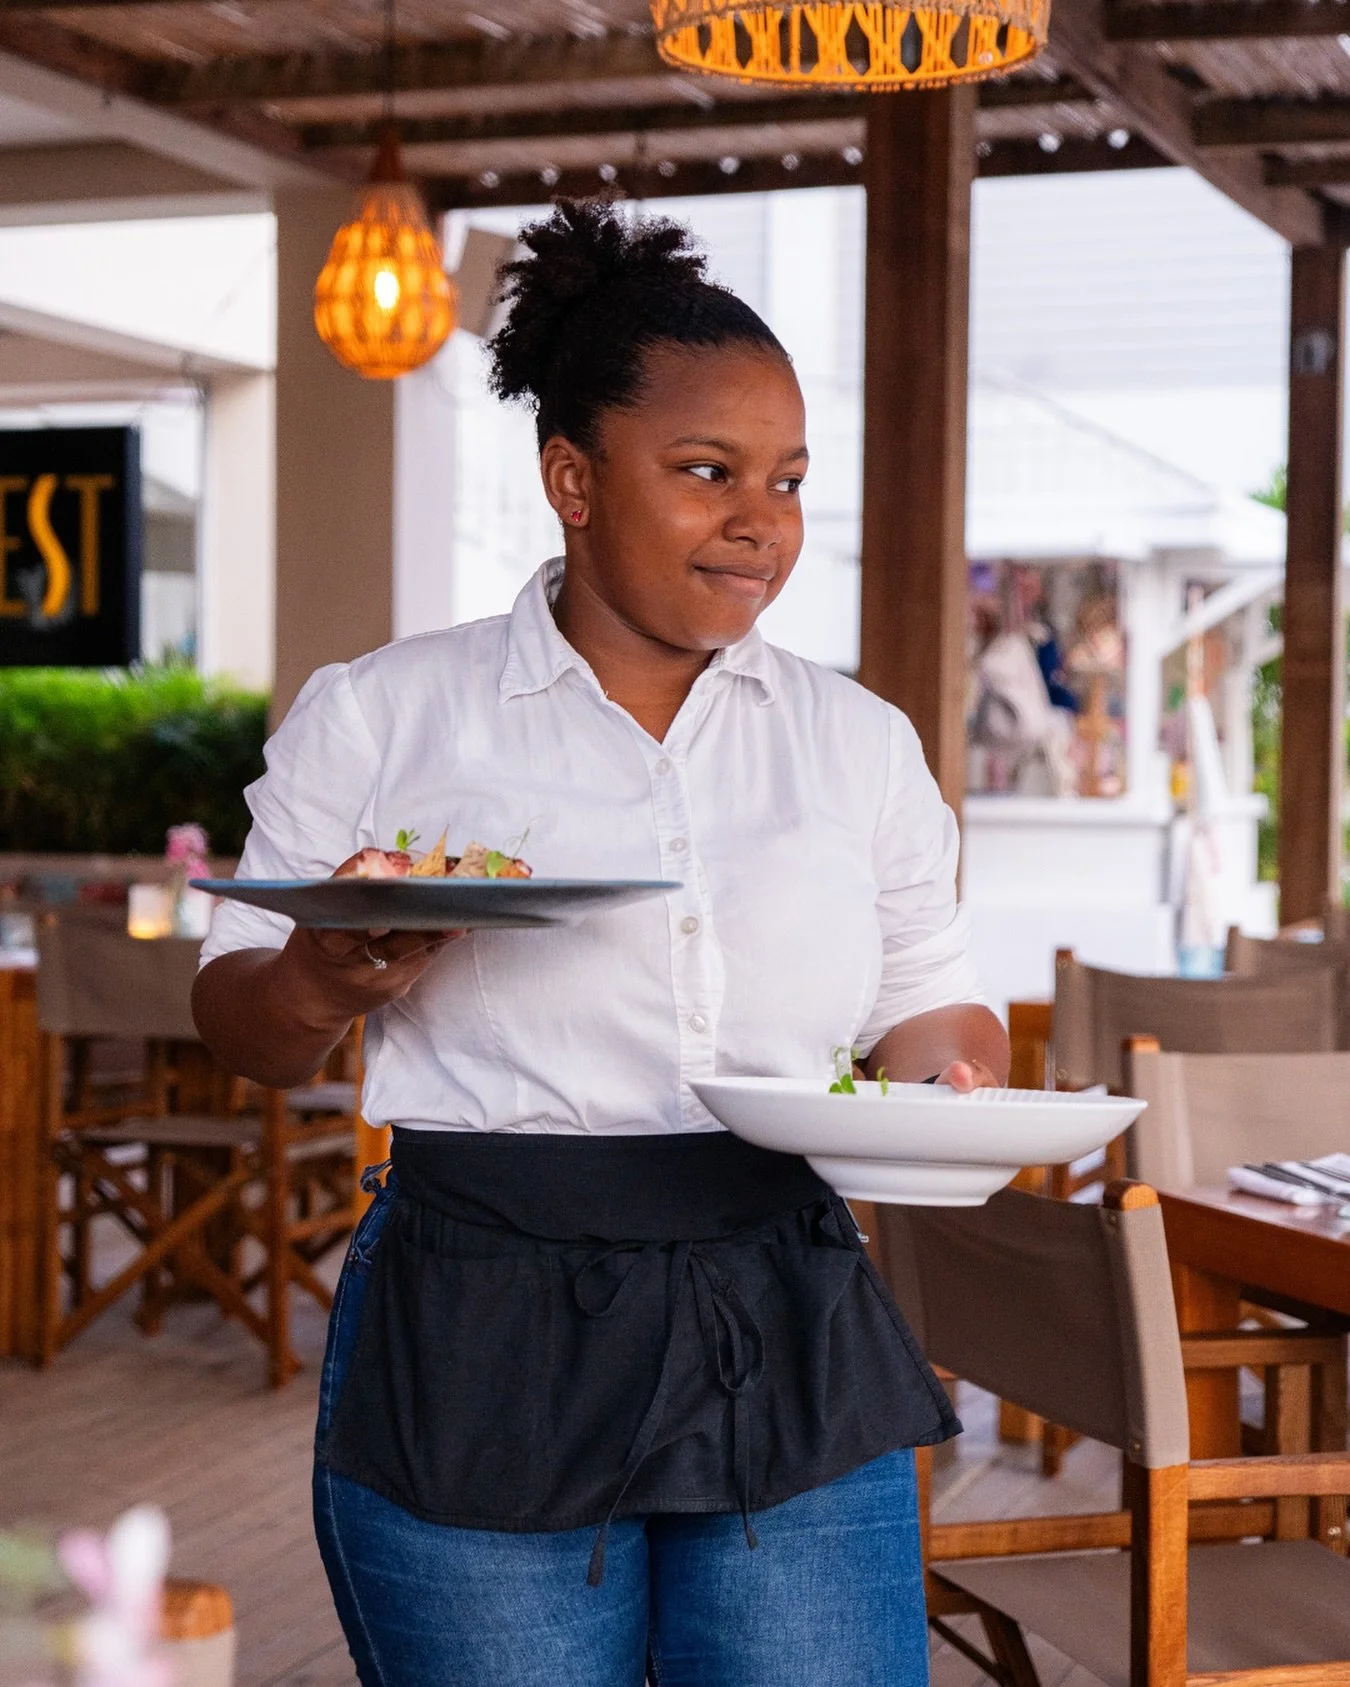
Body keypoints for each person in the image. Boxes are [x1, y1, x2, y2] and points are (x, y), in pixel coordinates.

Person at [192, 199, 1009, 1687]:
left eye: (785, 480)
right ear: (571, 477)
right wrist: (322, 976)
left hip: (784, 1297)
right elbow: (237, 1019)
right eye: (705, 473)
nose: (757, 519)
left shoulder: (858, 741)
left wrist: (948, 1086)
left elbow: (931, 1001)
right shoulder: (384, 713)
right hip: (481, 1312)